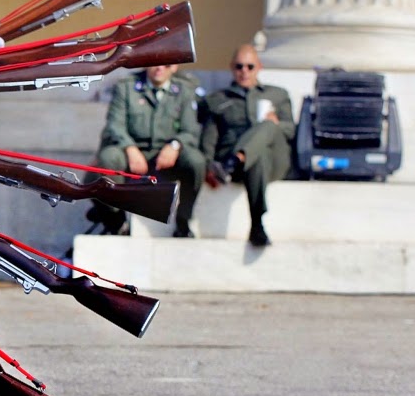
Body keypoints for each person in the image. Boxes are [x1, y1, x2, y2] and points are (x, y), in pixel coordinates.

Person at [96, 63, 206, 237]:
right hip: (133, 150)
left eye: (167, 64)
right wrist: (129, 148)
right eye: (155, 63)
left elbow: (190, 130)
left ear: (175, 67)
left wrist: (175, 145)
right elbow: (114, 125)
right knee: (109, 157)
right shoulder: (127, 87)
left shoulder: (184, 90)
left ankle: (184, 220)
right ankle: (116, 221)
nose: (160, 68)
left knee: (196, 161)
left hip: (167, 154)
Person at [201, 44, 294, 248]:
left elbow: (291, 130)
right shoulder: (217, 100)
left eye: (250, 66)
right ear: (232, 68)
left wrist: (275, 123)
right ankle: (257, 225)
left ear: (259, 67)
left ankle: (236, 159)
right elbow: (209, 137)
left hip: (274, 161)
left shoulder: (277, 94)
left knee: (268, 126)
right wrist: (207, 165)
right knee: (257, 158)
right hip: (245, 167)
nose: (244, 71)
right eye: (239, 66)